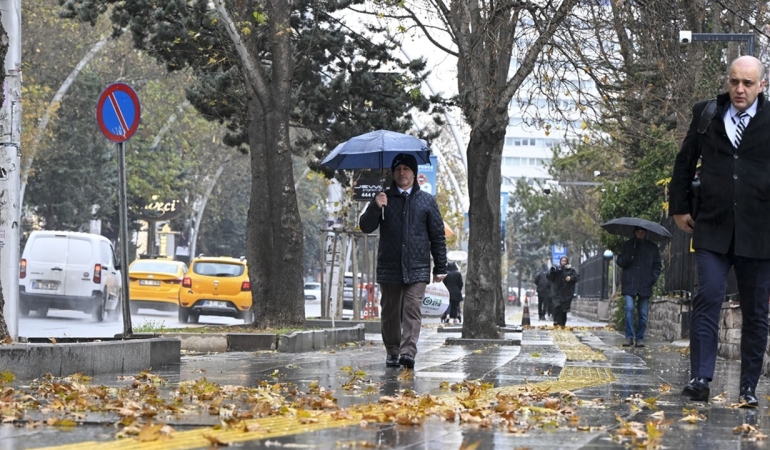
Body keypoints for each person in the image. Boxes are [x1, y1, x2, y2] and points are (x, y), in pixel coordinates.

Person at [670, 55, 770, 407]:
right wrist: (679, 207)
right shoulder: (707, 113)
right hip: (712, 226)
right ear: (728, 81)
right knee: (708, 297)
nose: (740, 89)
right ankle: (700, 378)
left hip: (759, 233)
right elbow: (684, 162)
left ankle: (748, 388)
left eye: (748, 83)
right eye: (734, 81)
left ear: (762, 85)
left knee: (755, 312)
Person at [359, 153, 448, 370]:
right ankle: (392, 350)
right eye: (398, 169)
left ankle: (408, 352)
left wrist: (440, 266)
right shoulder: (383, 198)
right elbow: (366, 227)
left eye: (406, 169)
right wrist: (375, 206)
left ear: (414, 174)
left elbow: (437, 235)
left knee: (412, 308)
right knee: (390, 311)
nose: (402, 173)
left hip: (417, 267)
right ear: (393, 173)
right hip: (389, 266)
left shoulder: (427, 201)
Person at [616, 227, 662, 348]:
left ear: (645, 233)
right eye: (638, 232)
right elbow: (620, 261)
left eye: (642, 232)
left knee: (643, 314)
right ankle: (629, 337)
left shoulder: (652, 247)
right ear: (635, 233)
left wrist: (652, 279)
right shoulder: (627, 245)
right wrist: (629, 255)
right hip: (629, 283)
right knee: (629, 308)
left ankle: (639, 338)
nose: (640, 234)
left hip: (645, 284)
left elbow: (657, 265)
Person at [547, 256, 579, 327]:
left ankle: (562, 324)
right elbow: (549, 277)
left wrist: (570, 278)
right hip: (557, 293)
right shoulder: (557, 269)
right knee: (557, 307)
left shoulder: (571, 270)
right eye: (562, 261)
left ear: (567, 262)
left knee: (564, 310)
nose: (563, 262)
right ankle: (556, 322)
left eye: (565, 261)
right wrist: (552, 271)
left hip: (567, 294)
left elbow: (577, 277)